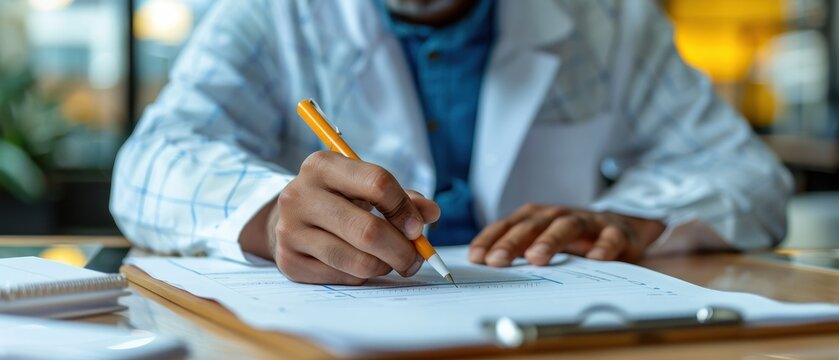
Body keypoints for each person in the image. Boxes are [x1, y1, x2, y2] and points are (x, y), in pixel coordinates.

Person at [110, 0, 792, 285]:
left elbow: (745, 174)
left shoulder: (605, 17)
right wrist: (269, 215)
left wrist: (632, 218)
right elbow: (150, 163)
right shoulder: (270, 13)